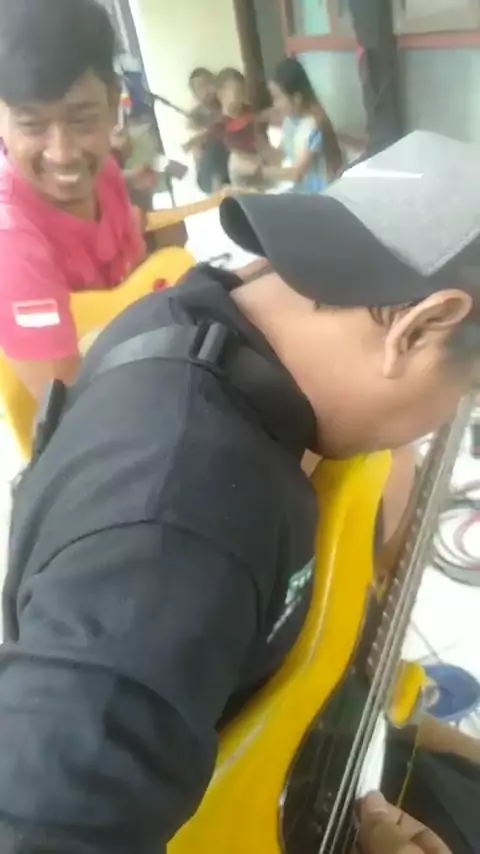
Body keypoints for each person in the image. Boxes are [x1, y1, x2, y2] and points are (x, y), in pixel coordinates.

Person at [3, 131, 480, 853]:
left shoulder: (207, 316)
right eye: (466, 389)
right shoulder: (177, 526)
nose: (446, 418)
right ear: (417, 328)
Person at [0, 0, 145, 402]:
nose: (63, 154)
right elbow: (70, 406)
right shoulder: (11, 243)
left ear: (113, 102)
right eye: (31, 124)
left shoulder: (106, 174)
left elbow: (137, 281)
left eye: (82, 118)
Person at [260, 56, 343, 193]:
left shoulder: (313, 125)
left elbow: (297, 173)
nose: (275, 104)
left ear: (297, 99)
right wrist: (258, 148)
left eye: (277, 98)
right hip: (302, 190)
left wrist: (259, 172)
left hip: (321, 193)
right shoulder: (290, 120)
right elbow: (281, 153)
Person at [184, 67, 230, 194]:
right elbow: (196, 151)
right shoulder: (196, 116)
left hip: (230, 163)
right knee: (212, 145)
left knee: (219, 141)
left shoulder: (226, 103)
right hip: (207, 175)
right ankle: (218, 190)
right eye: (196, 89)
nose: (202, 91)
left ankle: (219, 188)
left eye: (204, 85)